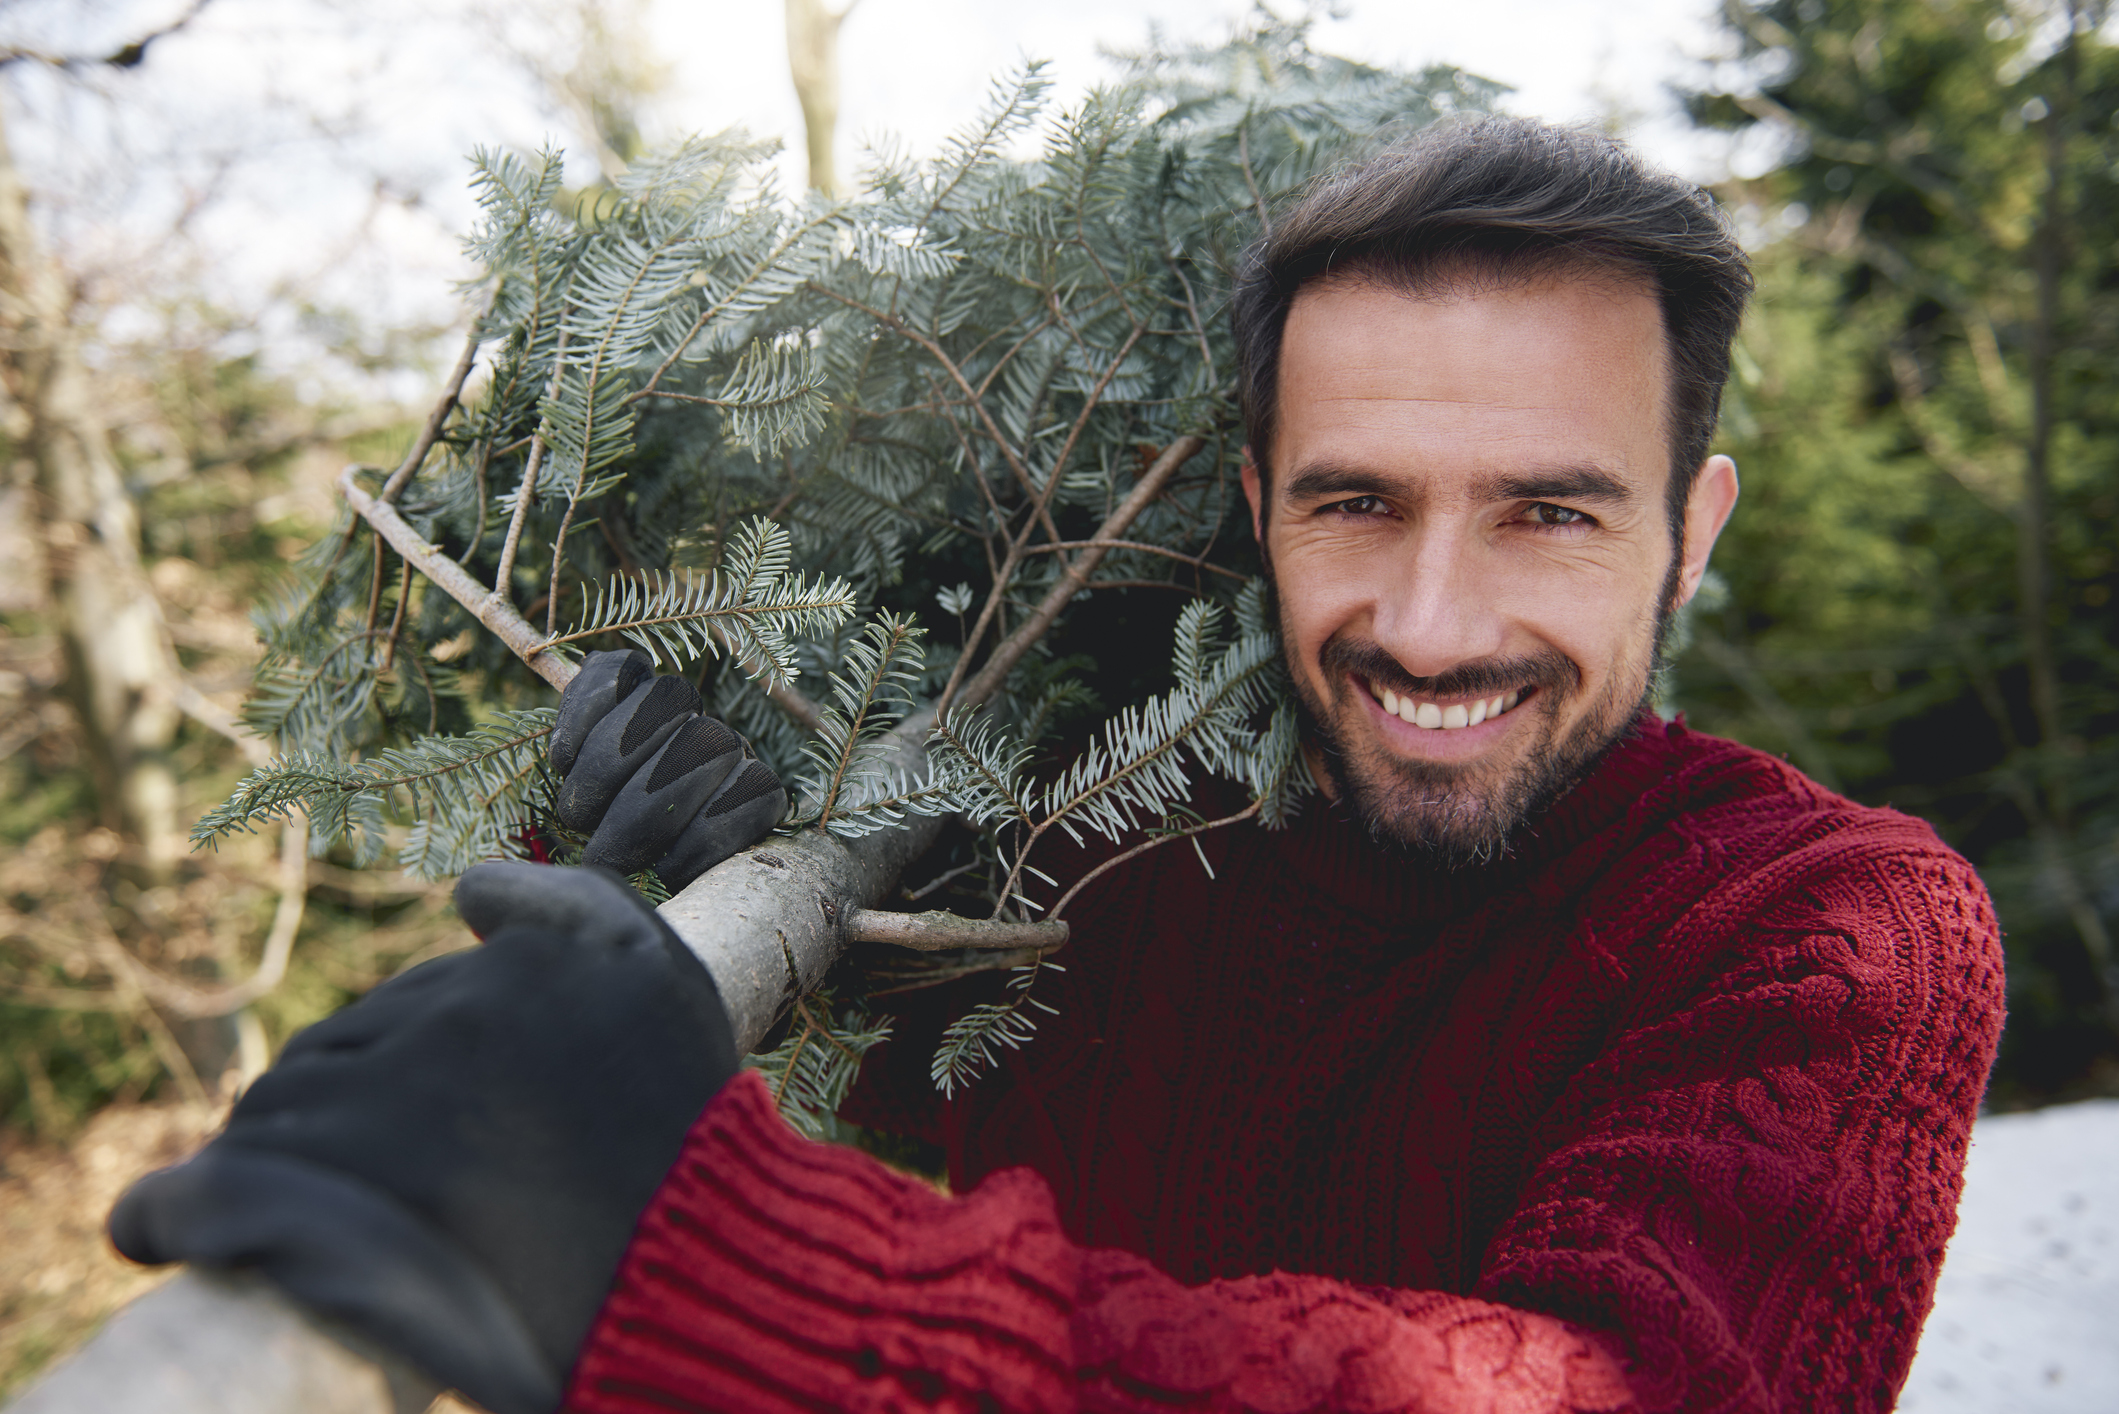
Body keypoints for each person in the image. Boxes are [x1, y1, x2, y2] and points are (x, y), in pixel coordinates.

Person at [109, 118, 2005, 1414]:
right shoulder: (1120, 841)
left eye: (1549, 516)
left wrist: (686, 1247)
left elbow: (1613, 1388)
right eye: (1356, 502)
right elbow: (923, 1084)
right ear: (1255, 509)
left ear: (1691, 529)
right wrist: (674, 850)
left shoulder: (1830, 925)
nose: (1431, 623)